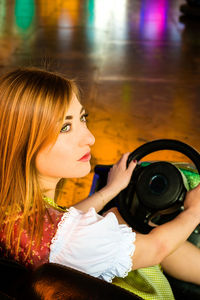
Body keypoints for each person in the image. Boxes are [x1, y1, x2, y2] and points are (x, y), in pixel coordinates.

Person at [0, 67, 199, 300]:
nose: (90, 138)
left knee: (119, 215)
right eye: (65, 127)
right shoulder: (78, 238)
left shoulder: (13, 209)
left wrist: (111, 190)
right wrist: (194, 211)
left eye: (82, 118)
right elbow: (157, 249)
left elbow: (64, 227)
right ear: (25, 145)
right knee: (139, 227)